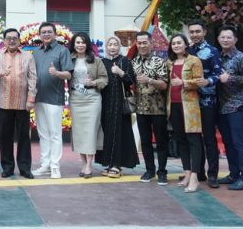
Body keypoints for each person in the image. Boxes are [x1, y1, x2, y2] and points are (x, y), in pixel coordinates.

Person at [0, 28, 37, 179]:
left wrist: (31, 99)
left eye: (14, 38)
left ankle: (24, 168)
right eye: (8, 38)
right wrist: (0, 73)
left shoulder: (28, 56)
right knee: (5, 137)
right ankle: (7, 167)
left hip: (23, 103)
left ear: (19, 40)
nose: (12, 40)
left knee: (24, 137)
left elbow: (33, 78)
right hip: (5, 102)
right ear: (4, 40)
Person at [30, 22, 74, 179]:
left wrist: (57, 73)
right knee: (43, 134)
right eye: (43, 32)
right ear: (39, 35)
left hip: (54, 99)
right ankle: (45, 165)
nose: (46, 34)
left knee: (55, 134)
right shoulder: (36, 52)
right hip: (38, 97)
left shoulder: (62, 51)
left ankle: (55, 166)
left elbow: (69, 74)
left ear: (55, 34)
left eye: (49, 32)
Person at [216, 25, 243, 191]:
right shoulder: (217, 57)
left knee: (239, 143)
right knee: (228, 143)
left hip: (237, 105)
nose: (225, 40)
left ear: (235, 40)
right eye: (222, 37)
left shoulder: (240, 57)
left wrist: (229, 78)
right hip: (222, 106)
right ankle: (233, 174)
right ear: (218, 39)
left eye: (228, 37)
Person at [186, 20, 222, 188]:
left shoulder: (212, 51)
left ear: (204, 32)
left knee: (209, 138)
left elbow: (218, 75)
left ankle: (212, 174)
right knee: (194, 138)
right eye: (191, 32)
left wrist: (207, 81)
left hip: (207, 101)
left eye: (197, 31)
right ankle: (197, 172)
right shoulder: (187, 51)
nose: (194, 34)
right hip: (190, 101)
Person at [131, 31, 170, 186]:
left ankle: (162, 172)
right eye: (139, 43)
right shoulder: (133, 62)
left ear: (150, 43)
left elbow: (164, 84)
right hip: (141, 108)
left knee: (161, 142)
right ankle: (149, 170)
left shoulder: (160, 61)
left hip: (158, 108)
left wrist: (149, 80)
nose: (142, 45)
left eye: (144, 42)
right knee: (145, 142)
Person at [96, 35, 138, 177]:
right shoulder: (102, 61)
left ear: (119, 47)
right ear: (106, 47)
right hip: (104, 102)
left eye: (115, 44)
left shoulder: (124, 60)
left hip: (119, 102)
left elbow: (131, 81)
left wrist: (120, 73)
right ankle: (108, 163)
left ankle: (117, 165)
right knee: (107, 131)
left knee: (119, 132)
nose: (112, 47)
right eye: (110, 45)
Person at [167, 33, 204, 193]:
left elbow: (200, 81)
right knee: (181, 140)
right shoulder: (170, 62)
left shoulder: (194, 60)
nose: (176, 45)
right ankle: (187, 173)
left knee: (194, 140)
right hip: (173, 105)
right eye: (173, 43)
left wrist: (184, 82)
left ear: (185, 45)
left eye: (178, 43)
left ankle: (195, 177)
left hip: (189, 106)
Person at [68, 32, 108, 179]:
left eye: (83, 42)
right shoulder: (69, 59)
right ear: (74, 44)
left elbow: (104, 78)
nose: (80, 45)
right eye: (77, 42)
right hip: (76, 99)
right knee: (79, 132)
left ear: (87, 44)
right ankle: (83, 162)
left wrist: (94, 83)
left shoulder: (96, 60)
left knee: (91, 131)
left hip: (92, 99)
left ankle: (89, 166)